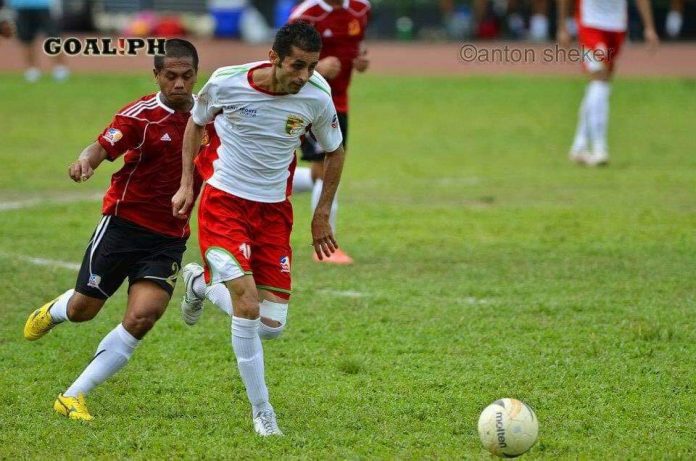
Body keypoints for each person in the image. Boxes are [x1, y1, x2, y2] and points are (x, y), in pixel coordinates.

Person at [172, 22, 345, 436]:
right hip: (224, 203)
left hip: (274, 214)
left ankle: (198, 284)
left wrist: (321, 213)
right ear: (273, 57)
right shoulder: (227, 82)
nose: (303, 75)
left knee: (273, 326)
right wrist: (186, 184)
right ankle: (263, 412)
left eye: (311, 66)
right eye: (297, 65)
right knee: (247, 306)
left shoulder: (317, 96)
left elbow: (335, 151)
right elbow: (196, 124)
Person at [23, 39, 200, 421]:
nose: (180, 85)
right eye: (171, 76)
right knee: (84, 309)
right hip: (123, 228)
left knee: (143, 317)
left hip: (169, 237)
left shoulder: (209, 115)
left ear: (196, 75)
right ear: (156, 76)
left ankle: (73, 395)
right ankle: (56, 310)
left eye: (187, 76)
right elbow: (102, 146)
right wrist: (84, 161)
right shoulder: (141, 115)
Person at [287, 0, 370, 265]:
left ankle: (260, 180)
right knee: (328, 167)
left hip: (340, 102)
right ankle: (325, 247)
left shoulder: (361, 8)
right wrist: (316, 68)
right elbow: (282, 59)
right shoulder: (306, 15)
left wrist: (360, 61)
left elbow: (356, 48)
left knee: (321, 171)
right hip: (309, 102)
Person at [557, 0, 658, 166]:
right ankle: (599, 147)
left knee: (600, 83)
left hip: (616, 25)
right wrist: (562, 26)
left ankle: (579, 145)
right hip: (590, 23)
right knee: (599, 78)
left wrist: (649, 27)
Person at [9, 0, 68, 81]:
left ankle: (60, 68)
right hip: (20, 5)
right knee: (26, 39)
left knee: (53, 37)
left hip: (45, 4)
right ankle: (32, 70)